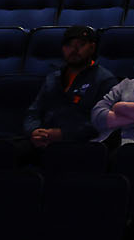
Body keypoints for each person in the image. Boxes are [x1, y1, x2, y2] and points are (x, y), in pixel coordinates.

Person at [22, 25, 117, 155]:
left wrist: (62, 134)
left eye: (80, 45)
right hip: (44, 141)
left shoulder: (104, 80)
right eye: (69, 45)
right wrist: (34, 131)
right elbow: (33, 111)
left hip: (82, 145)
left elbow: (103, 122)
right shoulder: (53, 77)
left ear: (92, 48)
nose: (74, 50)